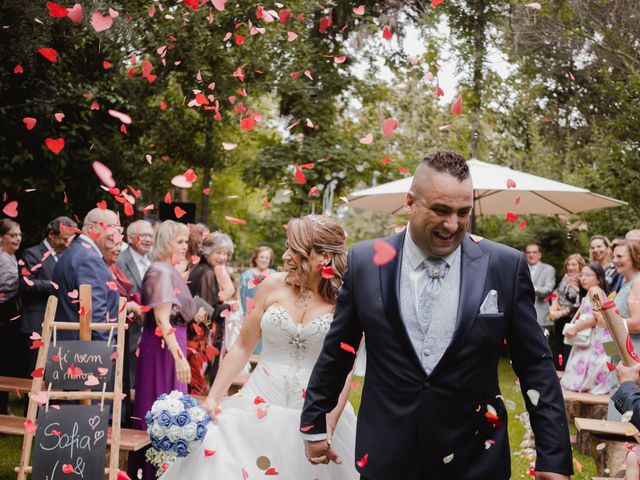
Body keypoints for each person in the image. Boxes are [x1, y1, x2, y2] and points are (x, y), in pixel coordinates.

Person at [301, 152, 572, 480]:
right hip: (388, 455)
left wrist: (553, 457)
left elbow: (535, 365)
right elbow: (338, 349)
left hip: (474, 459)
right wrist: (315, 422)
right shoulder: (365, 262)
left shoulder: (505, 266)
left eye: (463, 212)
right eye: (441, 211)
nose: (452, 225)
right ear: (410, 202)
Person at [160, 215, 358, 480]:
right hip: (256, 404)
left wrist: (326, 426)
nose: (286, 256)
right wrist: (212, 398)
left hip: (316, 411)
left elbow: (345, 371)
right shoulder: (272, 285)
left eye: (294, 250)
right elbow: (243, 345)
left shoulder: (347, 300)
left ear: (321, 256)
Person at [130, 220, 207, 479]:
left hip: (173, 343)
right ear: (166, 243)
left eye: (187, 241)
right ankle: (154, 471)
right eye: (180, 241)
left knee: (173, 410)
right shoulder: (161, 271)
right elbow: (163, 320)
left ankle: (167, 469)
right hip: (163, 349)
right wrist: (179, 358)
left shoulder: (168, 270)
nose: (185, 246)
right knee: (161, 408)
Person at [51, 208, 120, 340]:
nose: (115, 234)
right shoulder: (89, 259)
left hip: (70, 345)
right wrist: (106, 352)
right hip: (85, 350)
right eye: (110, 227)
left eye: (118, 229)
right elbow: (95, 316)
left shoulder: (78, 251)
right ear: (91, 228)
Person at [20, 216, 77, 368]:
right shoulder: (31, 254)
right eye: (64, 239)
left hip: (61, 325)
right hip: (37, 323)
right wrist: (56, 286)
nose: (67, 244)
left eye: (70, 240)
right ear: (51, 235)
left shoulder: (69, 257)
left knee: (56, 374)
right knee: (35, 373)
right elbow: (26, 284)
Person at [186, 233, 234, 395]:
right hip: (199, 341)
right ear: (208, 252)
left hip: (195, 337)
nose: (222, 257)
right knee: (199, 386)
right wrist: (227, 306)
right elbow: (209, 312)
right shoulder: (207, 273)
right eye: (218, 252)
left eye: (225, 253)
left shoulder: (198, 268)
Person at [104, 239, 142, 428]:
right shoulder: (103, 268)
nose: (118, 249)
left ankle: (120, 417)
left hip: (125, 330)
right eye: (114, 245)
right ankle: (111, 420)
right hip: (109, 330)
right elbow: (108, 300)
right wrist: (129, 305)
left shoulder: (114, 268)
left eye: (120, 246)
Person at [559, 263, 611, 394]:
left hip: (596, 336)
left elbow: (598, 315)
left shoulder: (594, 291)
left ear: (599, 279)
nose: (583, 278)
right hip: (592, 334)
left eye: (588, 275)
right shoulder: (592, 292)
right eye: (582, 275)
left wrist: (576, 328)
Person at [116, 219, 154, 387]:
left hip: (151, 328)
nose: (147, 239)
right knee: (130, 380)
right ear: (130, 238)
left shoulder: (154, 259)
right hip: (130, 329)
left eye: (150, 235)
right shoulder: (120, 261)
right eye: (143, 235)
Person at [0, 219, 23, 414]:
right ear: (1, 237)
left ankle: (3, 407)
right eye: (12, 235)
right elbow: (8, 285)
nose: (17, 239)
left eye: (19, 235)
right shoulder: (1, 257)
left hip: (9, 314)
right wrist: (27, 281)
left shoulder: (12, 257)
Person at [547, 253, 585, 370]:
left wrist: (562, 312)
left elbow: (580, 303)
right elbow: (555, 292)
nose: (570, 267)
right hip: (559, 319)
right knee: (558, 348)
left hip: (572, 319)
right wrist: (553, 305)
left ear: (580, 266)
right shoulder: (565, 277)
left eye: (574, 264)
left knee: (568, 349)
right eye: (568, 264)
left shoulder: (582, 280)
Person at [524, 243, 556, 332]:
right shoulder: (520, 268)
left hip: (541, 317)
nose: (531, 255)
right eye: (528, 252)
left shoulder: (548, 269)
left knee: (542, 344)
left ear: (540, 254)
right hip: (522, 316)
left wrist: (530, 287)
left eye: (534, 252)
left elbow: (548, 290)